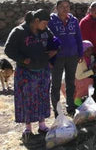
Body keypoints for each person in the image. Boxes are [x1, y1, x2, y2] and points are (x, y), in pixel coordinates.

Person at [5, 9, 58, 138]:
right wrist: (22, 59)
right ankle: (28, 127)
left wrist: (53, 52)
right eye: (44, 23)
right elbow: (8, 49)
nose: (46, 26)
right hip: (26, 72)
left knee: (42, 97)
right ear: (36, 21)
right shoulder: (19, 32)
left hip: (43, 71)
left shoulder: (45, 31)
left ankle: (42, 124)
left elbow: (55, 41)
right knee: (27, 99)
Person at [48, 0, 83, 116]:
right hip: (57, 57)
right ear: (57, 8)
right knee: (56, 83)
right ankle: (57, 110)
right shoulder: (51, 21)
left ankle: (70, 107)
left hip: (72, 55)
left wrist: (80, 53)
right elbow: (47, 39)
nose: (65, 9)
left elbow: (78, 37)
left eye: (67, 6)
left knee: (70, 82)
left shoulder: (74, 20)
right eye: (62, 7)